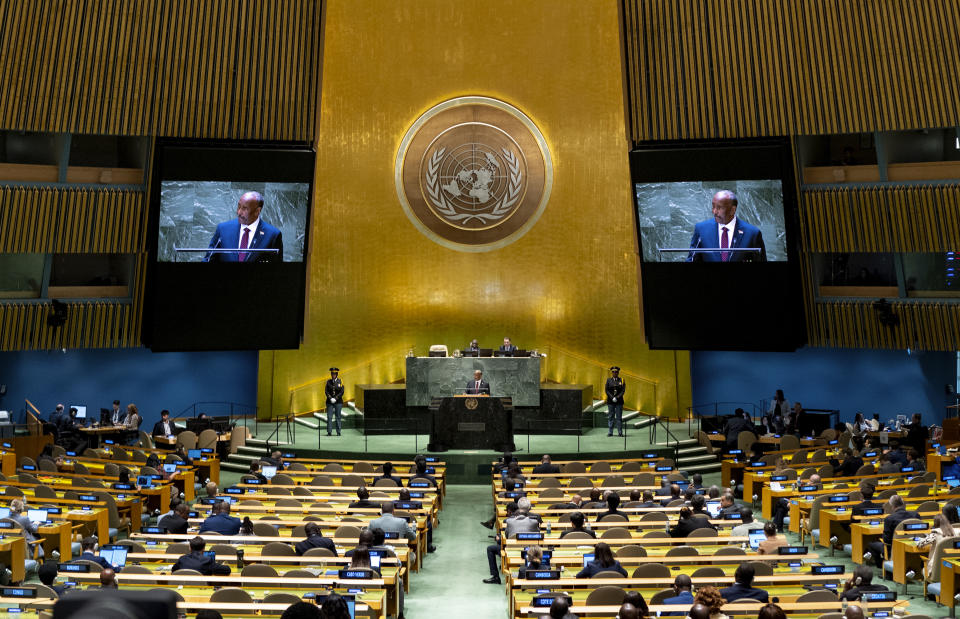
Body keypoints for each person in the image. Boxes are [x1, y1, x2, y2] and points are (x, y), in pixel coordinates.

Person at [687, 190, 766, 262]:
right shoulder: (701, 229)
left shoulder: (752, 233)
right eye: (713, 206)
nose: (714, 212)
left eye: (719, 208)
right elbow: (692, 259)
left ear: (732, 210)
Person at [205, 190, 283, 263]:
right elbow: (208, 259)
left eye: (245, 208)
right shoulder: (223, 229)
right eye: (239, 206)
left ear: (257, 211)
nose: (239, 212)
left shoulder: (273, 235)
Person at [865, 494, 919, 568]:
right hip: (913, 544)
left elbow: (886, 540)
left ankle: (884, 568)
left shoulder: (889, 519)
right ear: (903, 503)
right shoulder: (915, 515)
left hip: (893, 549)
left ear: (891, 505)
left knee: (872, 544)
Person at [604, 366, 626, 437]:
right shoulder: (608, 380)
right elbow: (606, 390)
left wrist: (617, 397)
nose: (614, 373)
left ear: (618, 372)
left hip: (619, 401)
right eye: (613, 372)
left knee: (619, 417)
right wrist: (612, 397)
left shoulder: (621, 380)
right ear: (611, 373)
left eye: (616, 372)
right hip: (611, 401)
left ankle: (620, 432)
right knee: (611, 416)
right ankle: (610, 432)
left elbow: (623, 390)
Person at [324, 367, 344, 436]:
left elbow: (342, 391)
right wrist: (330, 398)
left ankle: (338, 432)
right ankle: (329, 432)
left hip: (338, 402)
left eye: (334, 374)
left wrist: (335, 398)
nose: (333, 375)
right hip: (330, 402)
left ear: (337, 374)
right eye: (332, 374)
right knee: (329, 417)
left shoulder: (340, 381)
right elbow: (326, 391)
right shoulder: (328, 381)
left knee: (338, 416)